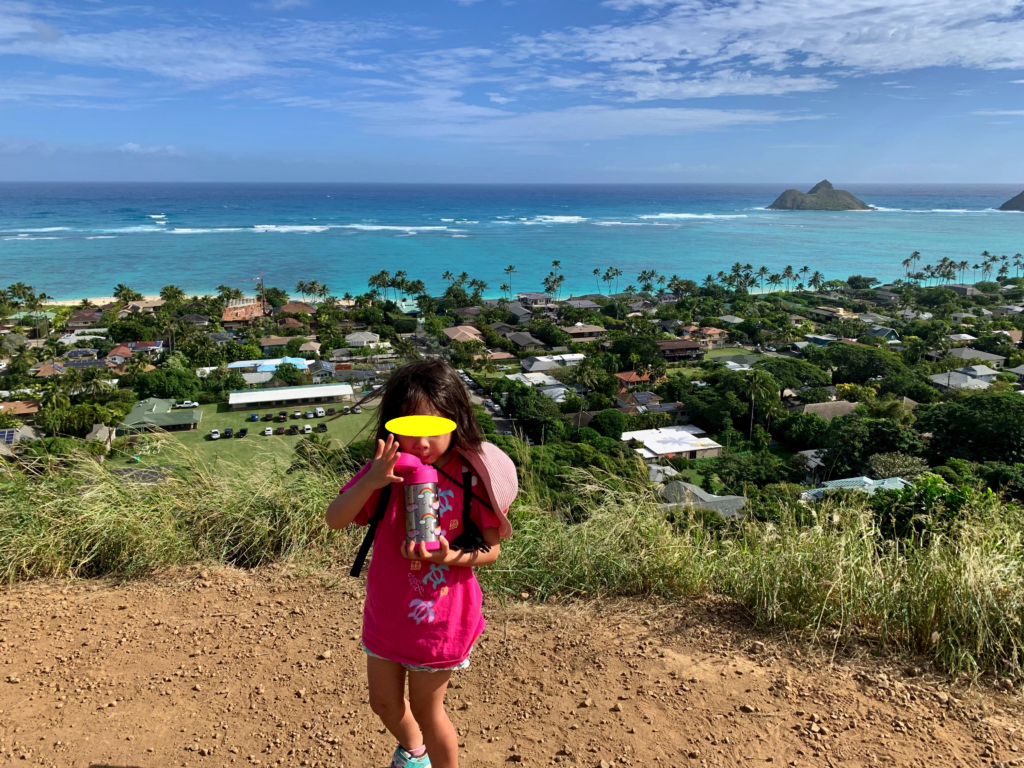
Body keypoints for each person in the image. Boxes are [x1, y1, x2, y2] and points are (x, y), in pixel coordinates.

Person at [326, 359, 517, 768]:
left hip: (441, 619)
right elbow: (335, 519)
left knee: (430, 711)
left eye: (434, 427)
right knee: (382, 702)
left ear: (456, 420)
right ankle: (414, 752)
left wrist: (448, 555)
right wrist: (372, 480)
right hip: (387, 611)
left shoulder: (469, 476)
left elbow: (492, 548)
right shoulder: (384, 472)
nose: (423, 442)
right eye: (410, 428)